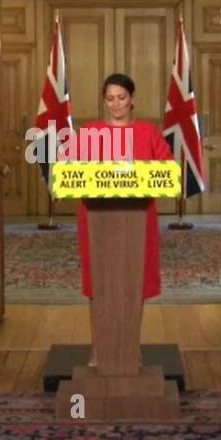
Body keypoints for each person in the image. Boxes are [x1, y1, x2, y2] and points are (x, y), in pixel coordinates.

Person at [76, 73, 174, 302]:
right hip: (95, 218)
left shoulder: (148, 132)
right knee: (101, 286)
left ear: (132, 99)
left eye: (121, 97)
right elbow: (69, 170)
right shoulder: (89, 132)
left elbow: (167, 171)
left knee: (134, 283)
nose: (116, 104)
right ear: (104, 101)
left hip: (138, 218)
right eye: (110, 99)